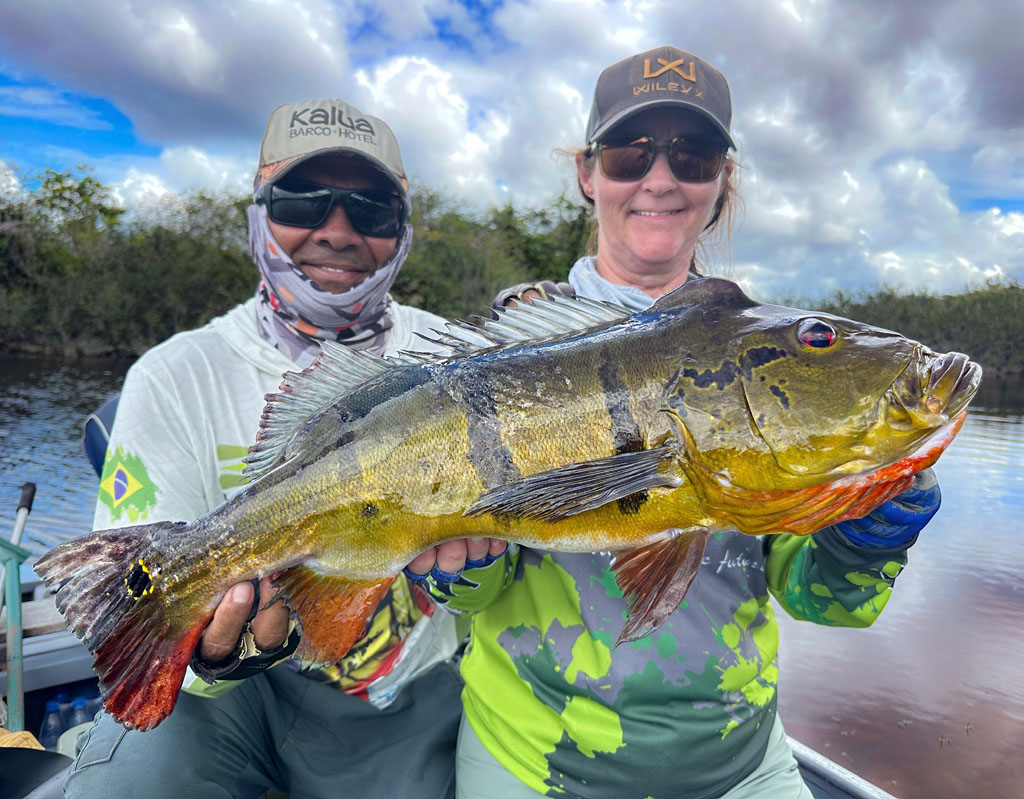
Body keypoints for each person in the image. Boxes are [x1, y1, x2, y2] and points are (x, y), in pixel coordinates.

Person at [409, 46, 941, 799]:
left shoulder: (770, 362)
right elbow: (466, 598)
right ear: (587, 174)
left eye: (693, 154)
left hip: (741, 766)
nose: (660, 177)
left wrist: (860, 544)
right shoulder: (509, 348)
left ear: (722, 181)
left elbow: (819, 598)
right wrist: (463, 568)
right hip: (531, 761)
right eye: (631, 153)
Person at [66, 98, 464, 799]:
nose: (337, 231)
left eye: (371, 210)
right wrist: (222, 653)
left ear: (402, 230)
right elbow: (134, 622)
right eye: (303, 200)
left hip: (408, 689)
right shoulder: (171, 375)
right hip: (225, 704)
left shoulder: (455, 354)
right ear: (257, 210)